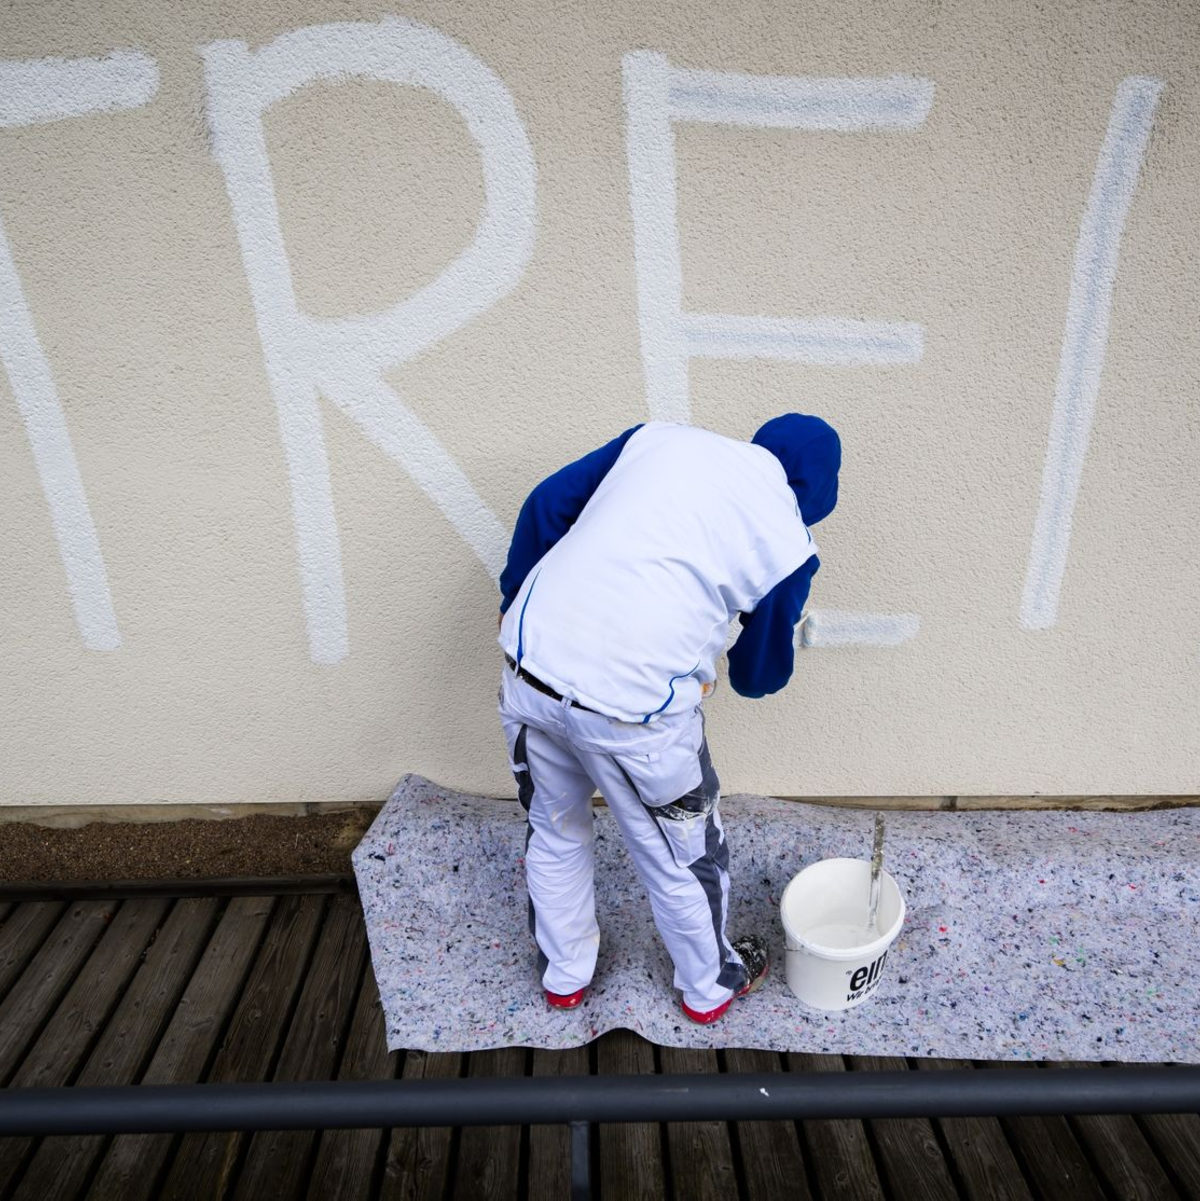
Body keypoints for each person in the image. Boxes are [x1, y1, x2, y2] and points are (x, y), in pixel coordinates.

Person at [496, 415, 841, 1024]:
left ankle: (565, 978)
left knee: (553, 829)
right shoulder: (790, 542)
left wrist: (519, 597)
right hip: (634, 716)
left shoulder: (656, 439)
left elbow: (546, 503)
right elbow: (757, 678)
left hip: (530, 670)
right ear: (814, 493)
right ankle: (708, 989)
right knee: (683, 858)